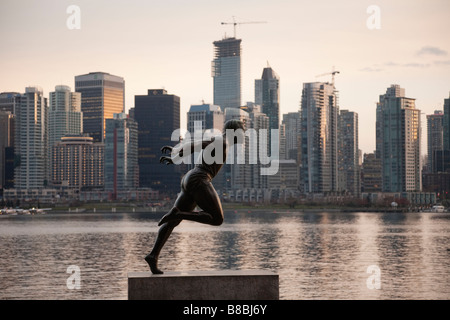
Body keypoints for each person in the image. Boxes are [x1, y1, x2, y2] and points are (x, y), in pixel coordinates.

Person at [145, 119, 245, 274]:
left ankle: (153, 256)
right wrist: (176, 154)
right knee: (217, 219)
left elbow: (195, 145)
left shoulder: (221, 141)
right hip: (200, 178)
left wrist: (176, 157)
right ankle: (178, 214)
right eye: (242, 131)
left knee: (172, 222)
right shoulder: (223, 141)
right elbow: (196, 145)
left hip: (190, 177)